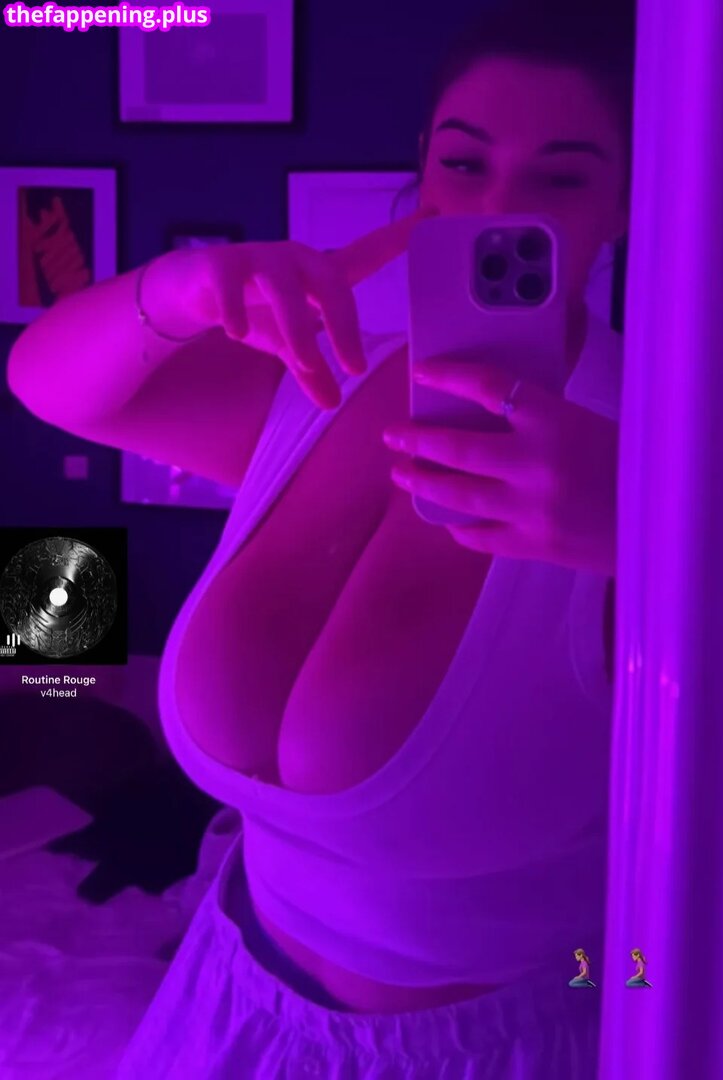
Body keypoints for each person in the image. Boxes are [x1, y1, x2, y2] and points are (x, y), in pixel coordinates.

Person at [7, 4, 635, 1076]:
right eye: (463, 163)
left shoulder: (657, 446)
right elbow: (45, 386)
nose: (497, 210)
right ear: (422, 172)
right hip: (227, 1003)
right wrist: (177, 291)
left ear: (624, 203)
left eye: (561, 178)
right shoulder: (324, 376)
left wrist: (657, 536)